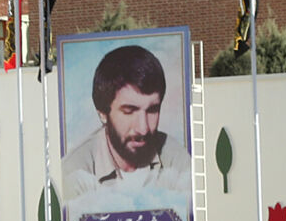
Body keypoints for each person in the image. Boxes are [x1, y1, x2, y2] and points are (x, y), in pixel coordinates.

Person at [62, 42, 190, 209]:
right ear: (102, 113)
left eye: (152, 110)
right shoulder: (73, 171)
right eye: (129, 111)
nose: (143, 128)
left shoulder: (177, 161)